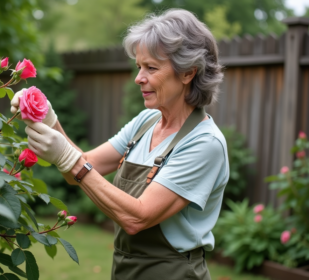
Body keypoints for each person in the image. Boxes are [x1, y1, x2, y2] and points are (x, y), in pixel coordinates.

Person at [11, 8, 228, 280]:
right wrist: (49, 118)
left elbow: (137, 218)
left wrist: (69, 158)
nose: (139, 78)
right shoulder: (146, 121)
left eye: (151, 68)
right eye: (139, 67)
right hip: (125, 270)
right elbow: (81, 167)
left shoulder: (204, 143)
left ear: (187, 73)